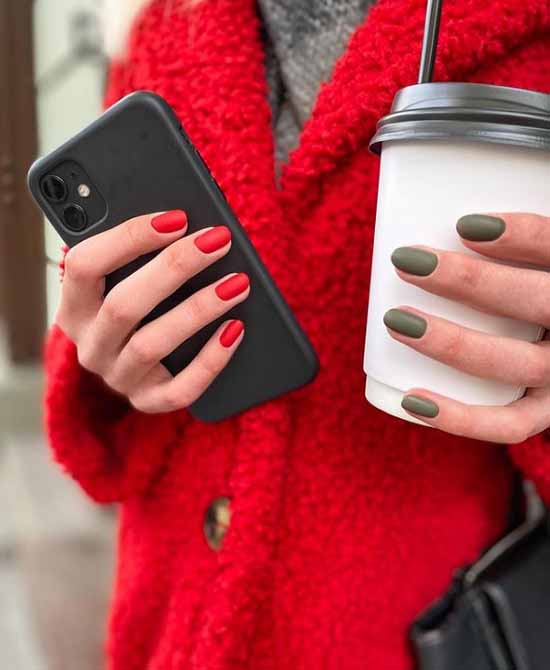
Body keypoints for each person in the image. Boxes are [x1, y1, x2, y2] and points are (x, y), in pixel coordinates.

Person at [44, 1, 550, 668]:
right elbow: (107, 318)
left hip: (406, 620)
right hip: (171, 614)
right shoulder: (167, 21)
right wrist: (108, 355)